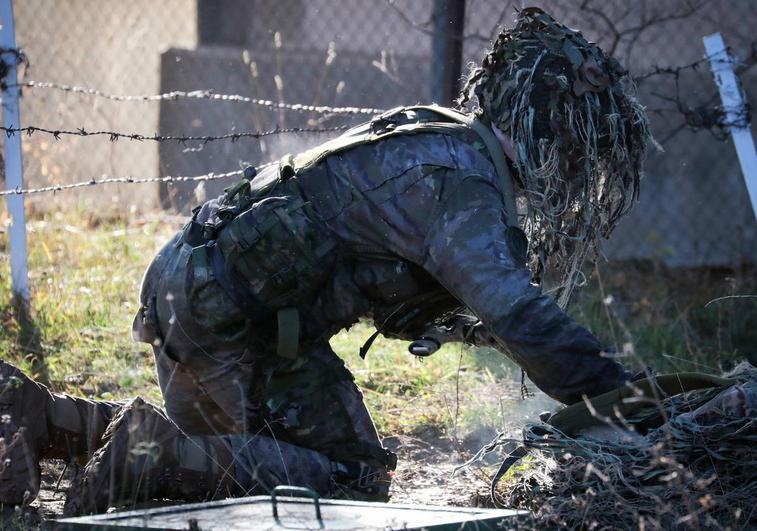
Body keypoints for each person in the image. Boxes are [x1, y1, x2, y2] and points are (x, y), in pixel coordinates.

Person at [0, 8, 650, 515]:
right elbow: (519, 313)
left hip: (201, 298)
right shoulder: (463, 185)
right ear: (553, 129)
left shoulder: (442, 141)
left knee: (269, 459)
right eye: (578, 147)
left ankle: (46, 418)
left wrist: (498, 337)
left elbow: (435, 303)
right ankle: (146, 457)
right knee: (348, 481)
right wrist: (619, 397)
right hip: (231, 324)